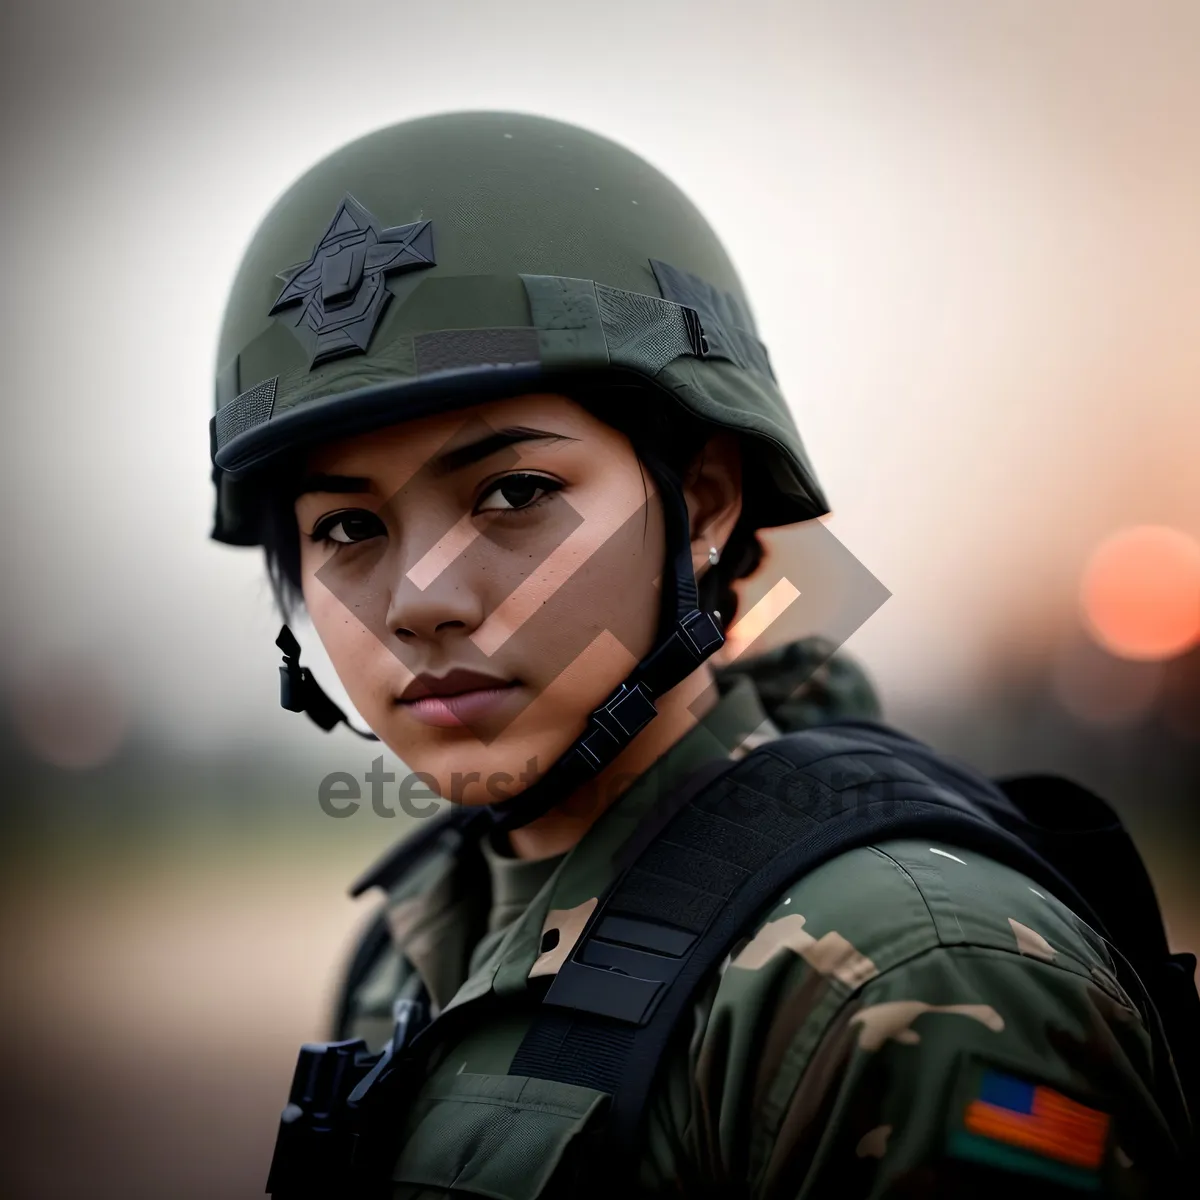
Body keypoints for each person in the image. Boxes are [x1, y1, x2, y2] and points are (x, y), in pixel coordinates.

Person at [210, 112, 1191, 1198]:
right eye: (347, 529)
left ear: (707, 502)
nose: (421, 601)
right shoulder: (415, 941)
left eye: (515, 494)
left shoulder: (911, 977)